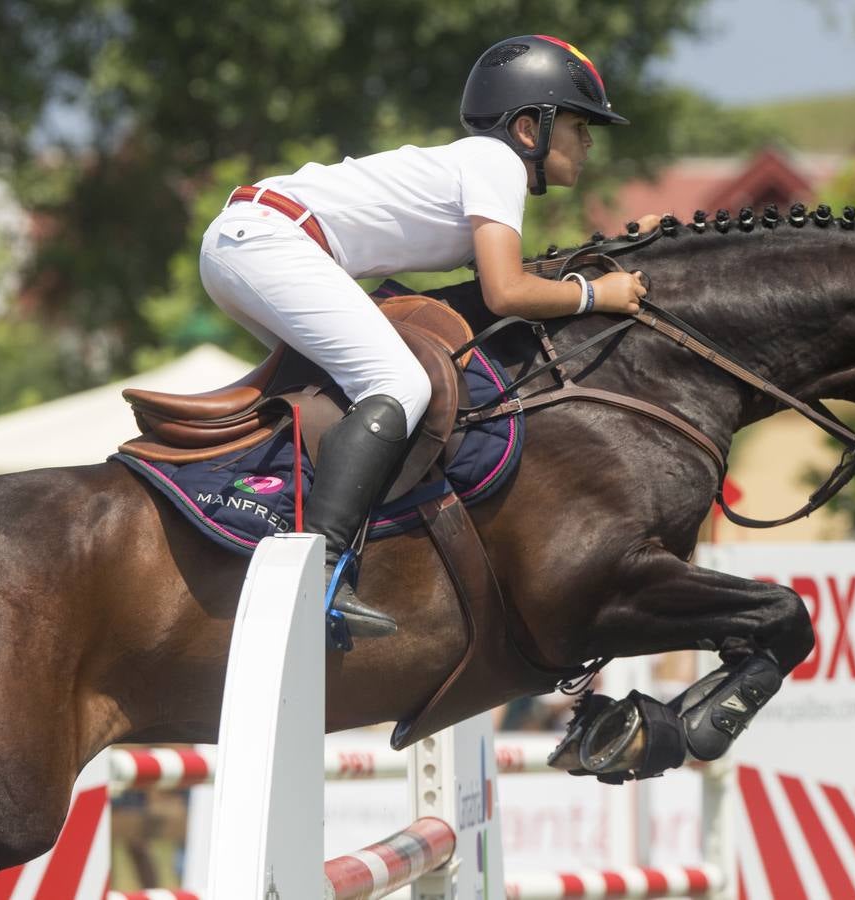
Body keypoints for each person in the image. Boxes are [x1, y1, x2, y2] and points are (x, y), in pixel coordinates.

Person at [198, 35, 654, 639]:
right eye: (579, 124)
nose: (590, 141)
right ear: (528, 128)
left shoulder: (478, 170)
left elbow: (522, 277)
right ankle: (323, 573)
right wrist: (600, 294)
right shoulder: (497, 164)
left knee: (343, 391)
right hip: (270, 241)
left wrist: (618, 245)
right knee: (398, 381)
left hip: (252, 240)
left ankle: (265, 510)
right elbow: (507, 293)